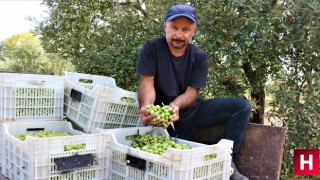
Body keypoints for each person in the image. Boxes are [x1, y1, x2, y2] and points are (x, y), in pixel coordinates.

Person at [136, 4, 251, 180]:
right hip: (164, 120)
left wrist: (175, 106)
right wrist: (148, 108)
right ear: (165, 26)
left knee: (242, 107)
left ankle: (227, 161)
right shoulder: (152, 49)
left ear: (193, 31)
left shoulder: (200, 56)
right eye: (174, 28)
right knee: (171, 162)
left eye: (186, 29)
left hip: (191, 110)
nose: (179, 35)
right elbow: (147, 83)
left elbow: (192, 93)